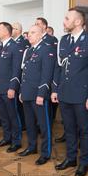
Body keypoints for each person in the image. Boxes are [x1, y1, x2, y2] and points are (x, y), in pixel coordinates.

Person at [51, 7, 88, 176]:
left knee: (84, 130)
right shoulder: (64, 40)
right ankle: (71, 157)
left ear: (78, 22)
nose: (64, 22)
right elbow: (59, 67)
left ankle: (85, 160)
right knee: (69, 128)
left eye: (67, 18)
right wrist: (55, 89)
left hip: (82, 95)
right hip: (65, 93)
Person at [19, 25, 55, 165]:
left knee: (44, 125)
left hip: (39, 95)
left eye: (33, 33)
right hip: (27, 93)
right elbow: (24, 73)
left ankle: (45, 153)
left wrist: (41, 94)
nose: (29, 35)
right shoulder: (28, 51)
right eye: (29, 33)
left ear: (41, 35)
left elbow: (47, 74)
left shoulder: (46, 49)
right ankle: (32, 146)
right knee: (29, 123)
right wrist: (22, 91)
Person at [0, 22, 23, 152]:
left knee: (13, 115)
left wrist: (12, 87)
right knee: (3, 115)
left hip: (8, 88)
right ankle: (6, 138)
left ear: (7, 32)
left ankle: (16, 140)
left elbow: (16, 70)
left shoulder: (15, 47)